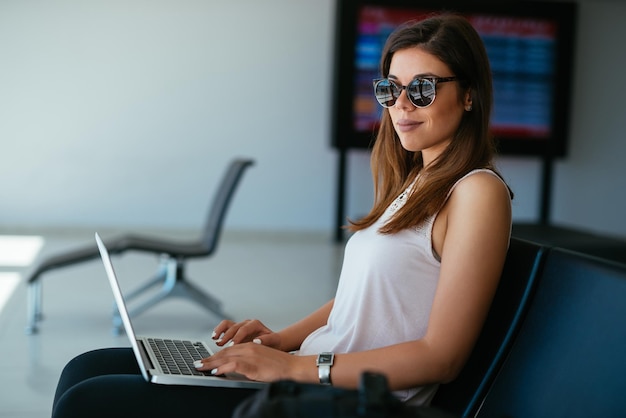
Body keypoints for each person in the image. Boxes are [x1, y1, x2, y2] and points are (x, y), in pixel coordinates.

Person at [51, 13, 512, 418]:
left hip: (348, 400)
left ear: (469, 95)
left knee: (87, 401)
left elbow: (441, 356)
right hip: (310, 376)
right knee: (83, 369)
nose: (401, 105)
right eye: (391, 89)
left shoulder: (477, 192)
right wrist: (281, 342)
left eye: (424, 88)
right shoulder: (415, 183)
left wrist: (292, 367)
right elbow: (363, 301)